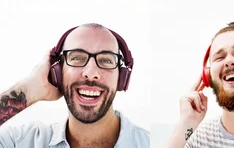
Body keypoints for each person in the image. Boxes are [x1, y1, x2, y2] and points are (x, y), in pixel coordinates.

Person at [0, 23, 149, 147]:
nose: (91, 73)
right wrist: (30, 89)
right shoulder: (21, 142)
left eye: (106, 60)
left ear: (122, 77)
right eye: (77, 57)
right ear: (57, 72)